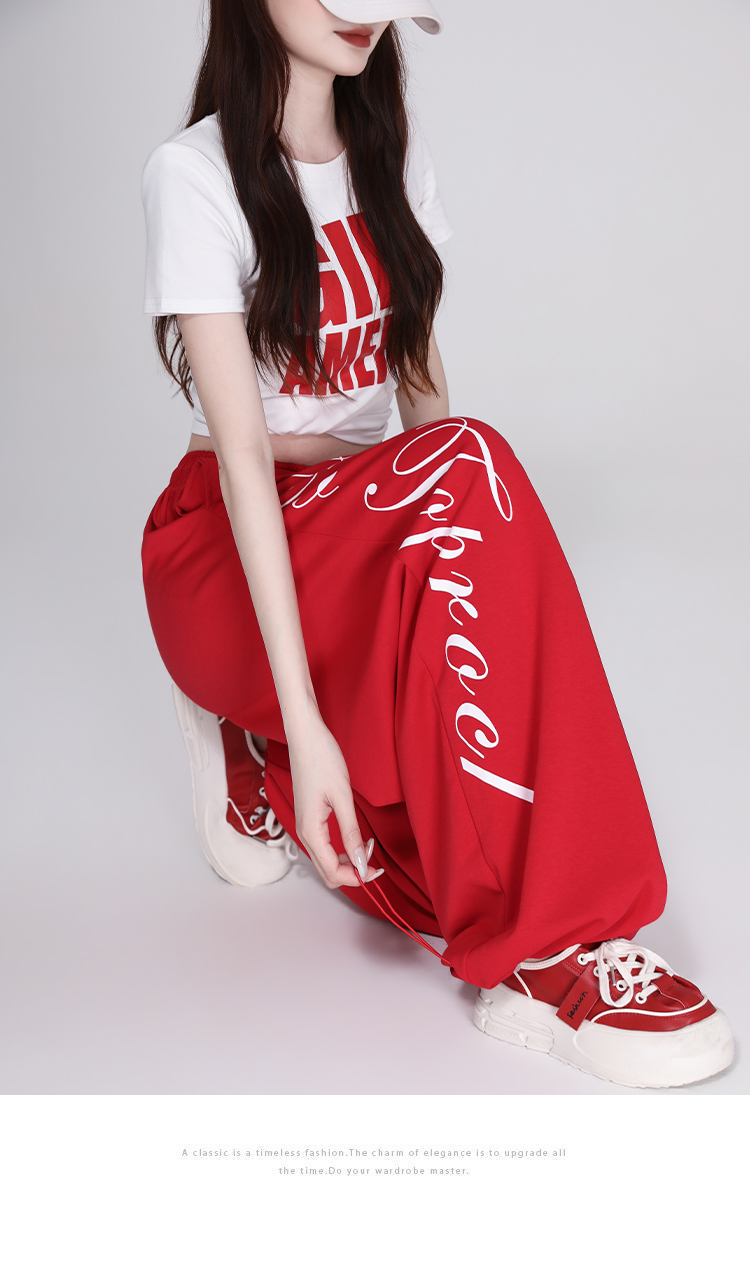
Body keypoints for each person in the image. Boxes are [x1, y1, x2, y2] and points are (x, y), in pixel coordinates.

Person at [140, 0, 733, 1088]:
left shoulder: (385, 150)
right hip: (225, 551)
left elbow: (422, 396)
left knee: (424, 816)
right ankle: (271, 726)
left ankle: (557, 940)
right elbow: (243, 462)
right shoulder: (195, 173)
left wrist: (458, 566)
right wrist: (314, 719)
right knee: (468, 466)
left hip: (356, 537)